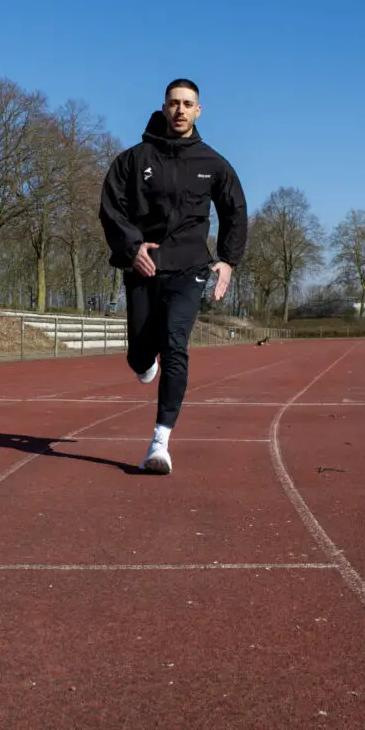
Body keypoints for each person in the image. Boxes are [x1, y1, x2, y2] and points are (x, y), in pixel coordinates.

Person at [99, 78, 248, 474]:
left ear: (199, 111)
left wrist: (228, 260)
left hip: (190, 268)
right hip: (144, 267)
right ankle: (141, 361)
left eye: (188, 104)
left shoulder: (213, 163)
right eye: (173, 103)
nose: (180, 110)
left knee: (175, 345)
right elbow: (112, 206)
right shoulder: (134, 159)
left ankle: (160, 441)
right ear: (164, 108)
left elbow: (234, 210)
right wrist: (132, 247)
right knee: (140, 355)